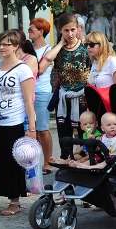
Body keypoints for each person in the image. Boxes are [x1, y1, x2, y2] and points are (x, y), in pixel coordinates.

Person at [0, 30, 36, 216]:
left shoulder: (23, 69)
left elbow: (27, 100)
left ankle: (14, 200)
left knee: (10, 162)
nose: (1, 47)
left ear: (16, 46)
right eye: (0, 44)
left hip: (13, 122)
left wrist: (31, 128)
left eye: (6, 44)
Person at [44, 13, 90, 159]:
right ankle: (65, 162)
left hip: (83, 99)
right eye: (66, 30)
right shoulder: (59, 50)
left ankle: (84, 163)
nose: (70, 34)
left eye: (72, 30)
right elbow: (48, 58)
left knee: (85, 133)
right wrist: (60, 44)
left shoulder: (85, 48)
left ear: (78, 29)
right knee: (64, 134)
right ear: (60, 31)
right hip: (64, 99)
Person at [28, 17, 54, 175]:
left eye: (31, 29)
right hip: (27, 92)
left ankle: (48, 161)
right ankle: (34, 161)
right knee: (32, 129)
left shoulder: (48, 50)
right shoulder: (26, 48)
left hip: (42, 92)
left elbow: (40, 69)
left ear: (41, 31)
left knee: (43, 129)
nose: (29, 31)